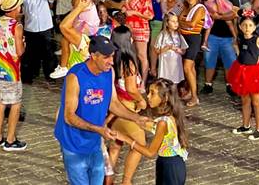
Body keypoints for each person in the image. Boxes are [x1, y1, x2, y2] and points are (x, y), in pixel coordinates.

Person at [54, 35, 148, 185]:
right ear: (93, 56)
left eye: (112, 56)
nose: (111, 61)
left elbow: (114, 103)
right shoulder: (75, 76)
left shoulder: (109, 72)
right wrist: (98, 129)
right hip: (74, 143)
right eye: (106, 57)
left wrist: (136, 118)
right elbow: (69, 116)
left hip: (95, 141)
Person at [118, 79, 189, 185]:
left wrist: (127, 139)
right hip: (170, 164)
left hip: (170, 167)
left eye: (152, 93)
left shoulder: (163, 123)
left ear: (164, 98)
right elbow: (147, 124)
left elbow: (150, 152)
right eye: (148, 92)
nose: (148, 96)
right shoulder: (170, 116)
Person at [227, 11, 259, 141]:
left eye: (250, 25)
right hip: (242, 71)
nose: (247, 28)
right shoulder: (239, 39)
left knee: (256, 102)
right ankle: (246, 126)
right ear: (240, 26)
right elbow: (238, 48)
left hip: (254, 73)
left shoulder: (257, 39)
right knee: (245, 101)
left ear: (255, 27)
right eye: (244, 25)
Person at [107, 27, 147, 185]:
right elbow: (131, 88)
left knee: (115, 145)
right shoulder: (128, 61)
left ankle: (107, 181)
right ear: (128, 41)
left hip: (114, 108)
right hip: (126, 108)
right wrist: (141, 100)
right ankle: (127, 181)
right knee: (140, 145)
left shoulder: (112, 58)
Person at [0, 0, 26, 152]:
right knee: (15, 104)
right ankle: (10, 140)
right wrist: (24, 45)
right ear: (13, 9)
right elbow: (19, 51)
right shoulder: (16, 26)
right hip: (11, 71)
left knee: (0, 103)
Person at [20, 0, 55, 83]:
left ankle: (49, 75)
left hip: (45, 27)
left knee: (48, 53)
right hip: (30, 28)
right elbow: (18, 0)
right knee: (30, 54)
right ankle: (29, 76)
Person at [121, 0, 153, 87]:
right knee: (131, 54)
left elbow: (150, 15)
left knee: (142, 55)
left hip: (140, 28)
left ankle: (143, 82)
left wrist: (134, 12)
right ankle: (135, 78)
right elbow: (126, 5)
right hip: (129, 27)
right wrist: (125, 9)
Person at [178, 0, 207, 107]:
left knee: (187, 68)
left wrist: (180, 23)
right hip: (183, 38)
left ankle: (195, 97)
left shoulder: (200, 8)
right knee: (191, 68)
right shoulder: (185, 8)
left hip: (193, 39)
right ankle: (191, 91)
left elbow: (192, 24)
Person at [153, 13, 187, 84]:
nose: (176, 23)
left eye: (176, 21)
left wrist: (178, 50)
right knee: (165, 82)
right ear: (167, 23)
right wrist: (167, 47)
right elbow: (157, 50)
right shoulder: (162, 35)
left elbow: (184, 50)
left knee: (175, 82)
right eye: (173, 21)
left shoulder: (179, 35)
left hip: (176, 64)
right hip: (165, 64)